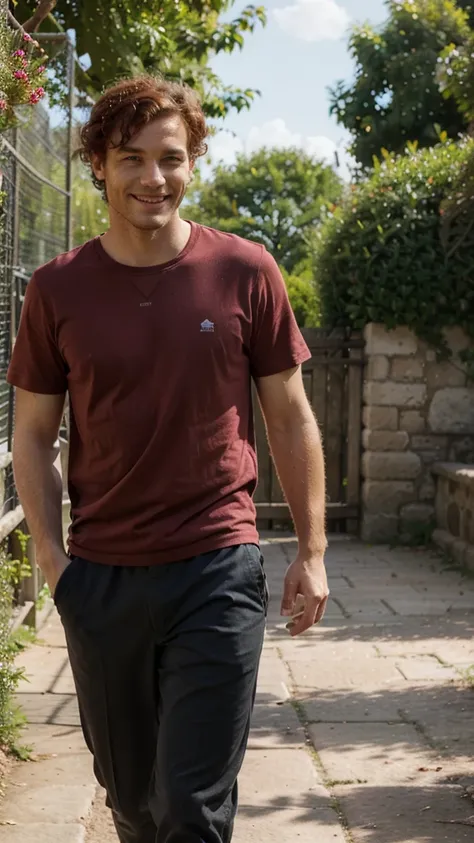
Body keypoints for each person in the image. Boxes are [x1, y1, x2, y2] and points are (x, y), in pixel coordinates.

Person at [7, 75, 329, 843]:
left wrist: (312, 551)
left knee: (191, 806)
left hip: (216, 567)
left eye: (171, 158)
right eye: (132, 159)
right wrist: (55, 563)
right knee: (133, 803)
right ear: (98, 165)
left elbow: (289, 413)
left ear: (194, 163)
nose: (154, 177)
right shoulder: (58, 290)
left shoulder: (245, 270)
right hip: (103, 578)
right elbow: (31, 433)